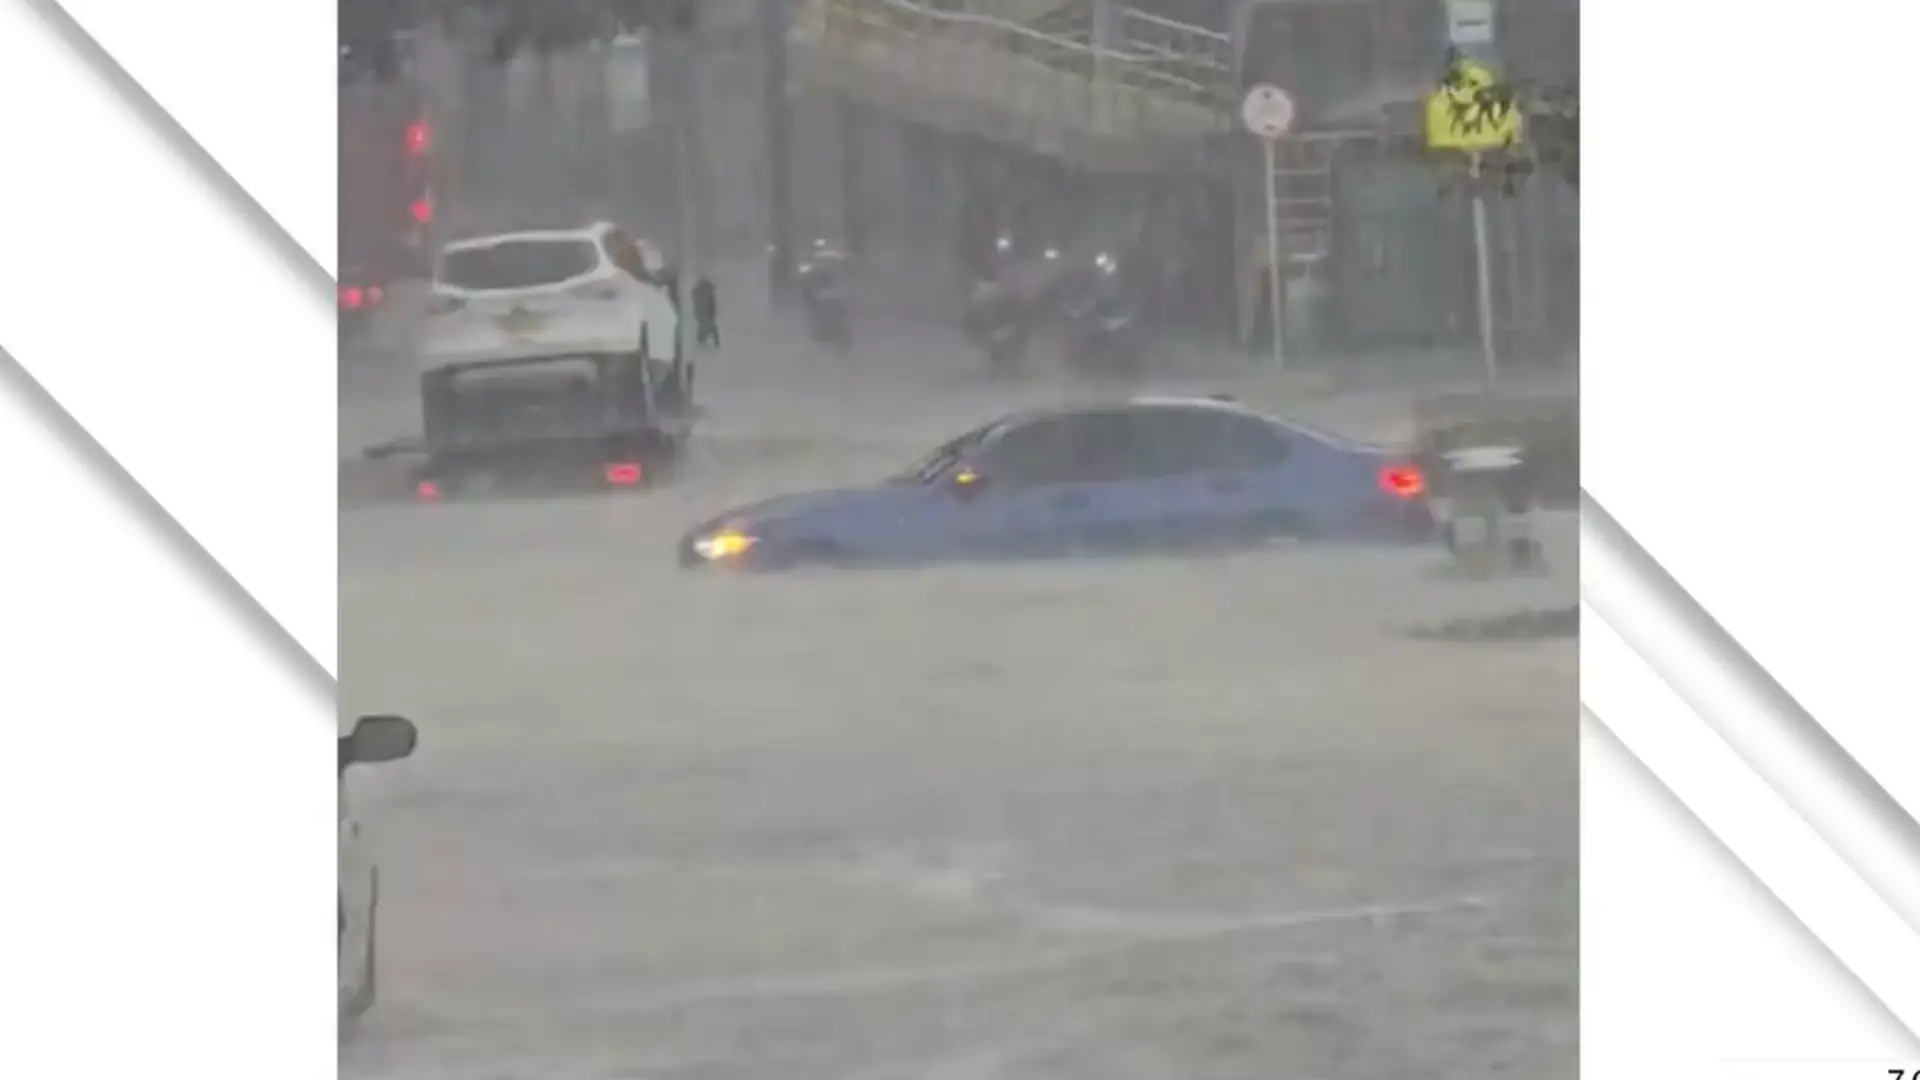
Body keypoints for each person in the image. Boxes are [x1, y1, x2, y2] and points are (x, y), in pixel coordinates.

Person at [692, 277, 719, 348]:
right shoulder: (705, 290)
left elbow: (694, 297)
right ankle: (710, 340)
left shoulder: (702, 289)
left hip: (704, 311)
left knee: (706, 324)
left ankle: (704, 340)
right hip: (705, 311)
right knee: (707, 324)